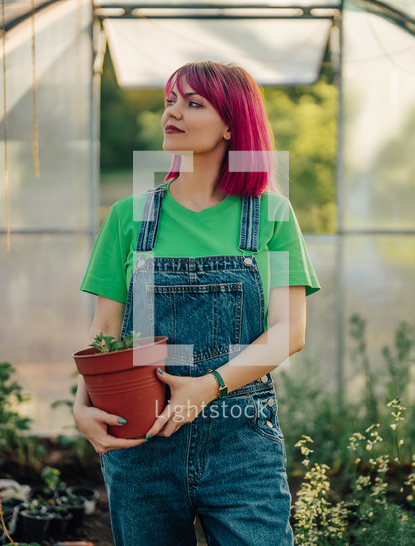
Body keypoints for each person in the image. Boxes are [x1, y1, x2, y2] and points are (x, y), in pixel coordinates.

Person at [74, 61, 320, 545]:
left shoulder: (271, 214)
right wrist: (81, 406)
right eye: (170, 100)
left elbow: (289, 332)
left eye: (193, 103)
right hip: (142, 442)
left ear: (232, 123)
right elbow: (105, 337)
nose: (173, 112)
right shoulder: (129, 217)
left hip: (240, 444)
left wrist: (206, 388)